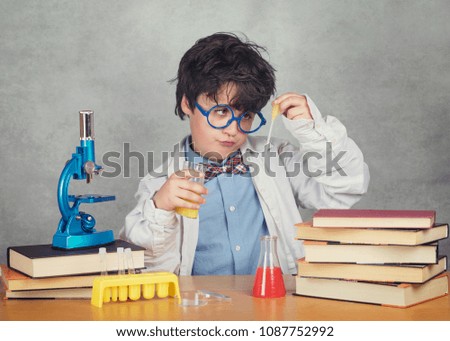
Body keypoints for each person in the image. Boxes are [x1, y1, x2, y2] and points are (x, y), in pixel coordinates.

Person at [119, 32, 370, 276]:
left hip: (275, 305)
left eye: (246, 116)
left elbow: (342, 191)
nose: (233, 130)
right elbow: (148, 269)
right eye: (220, 112)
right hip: (201, 311)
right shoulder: (159, 184)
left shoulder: (277, 158)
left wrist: (314, 131)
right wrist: (161, 208)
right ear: (188, 104)